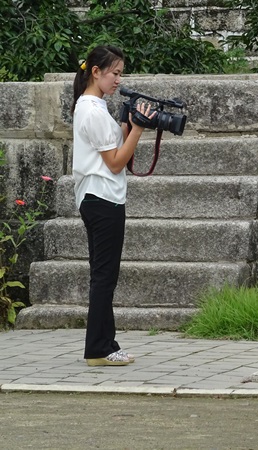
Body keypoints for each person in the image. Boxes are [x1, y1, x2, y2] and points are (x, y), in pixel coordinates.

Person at [71, 45, 155, 366]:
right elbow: (117, 162)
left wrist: (126, 123)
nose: (119, 79)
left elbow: (111, 146)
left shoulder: (93, 106)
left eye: (121, 73)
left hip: (98, 198)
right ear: (96, 72)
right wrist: (139, 128)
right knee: (105, 276)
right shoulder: (92, 110)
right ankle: (98, 348)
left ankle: (106, 344)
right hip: (103, 199)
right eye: (115, 73)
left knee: (103, 275)